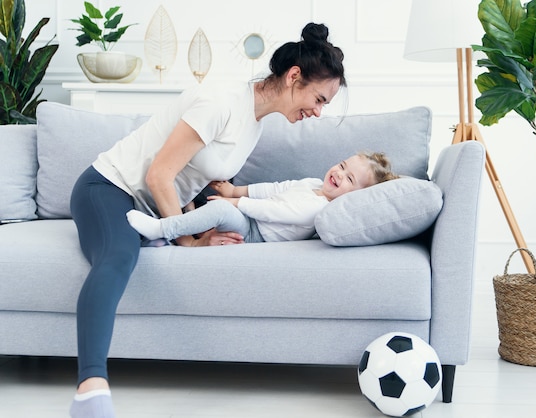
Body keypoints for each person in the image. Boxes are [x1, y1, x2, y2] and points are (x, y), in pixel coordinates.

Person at [68, 22, 346, 418]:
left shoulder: (254, 123)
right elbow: (159, 175)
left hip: (151, 207)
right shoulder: (221, 102)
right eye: (319, 99)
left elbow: (203, 183)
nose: (317, 112)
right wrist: (188, 240)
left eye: (324, 106)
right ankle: (90, 393)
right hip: (108, 188)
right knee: (118, 256)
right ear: (294, 77)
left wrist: (214, 224)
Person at [126, 152, 399, 243]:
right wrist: (235, 191)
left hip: (256, 232)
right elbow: (275, 189)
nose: (339, 174)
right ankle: (182, 216)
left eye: (349, 179)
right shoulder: (313, 184)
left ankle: (162, 227)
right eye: (342, 166)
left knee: (221, 211)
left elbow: (272, 211)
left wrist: (235, 203)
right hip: (250, 215)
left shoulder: (319, 210)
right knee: (206, 181)